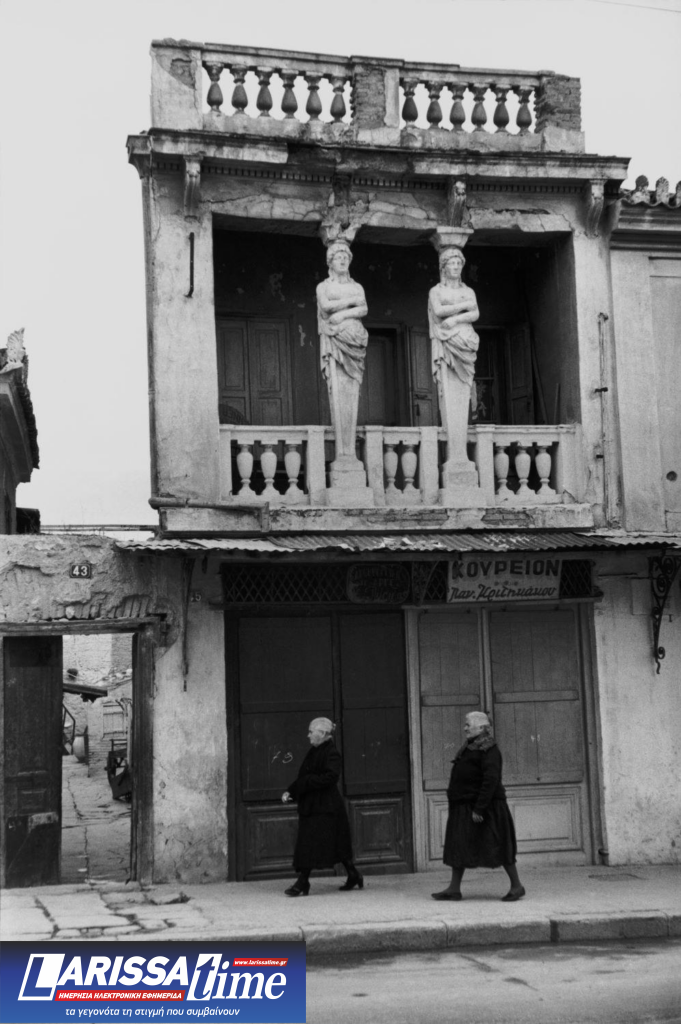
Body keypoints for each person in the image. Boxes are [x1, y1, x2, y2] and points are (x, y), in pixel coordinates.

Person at [432, 711, 526, 902]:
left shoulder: (489, 750)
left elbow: (491, 780)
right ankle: (454, 888)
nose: (465, 728)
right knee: (459, 845)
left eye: (468, 725)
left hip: (486, 808)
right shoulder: (471, 747)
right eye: (465, 724)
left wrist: (479, 808)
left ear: (482, 727)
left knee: (499, 845)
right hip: (465, 805)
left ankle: (517, 886)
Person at [281, 717, 363, 897]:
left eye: (311, 732)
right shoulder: (314, 751)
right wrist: (291, 791)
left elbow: (330, 778)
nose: (308, 735)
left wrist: (306, 783)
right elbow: (304, 777)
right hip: (314, 805)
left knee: (313, 843)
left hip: (326, 807)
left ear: (323, 734)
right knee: (325, 844)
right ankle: (353, 874)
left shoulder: (331, 753)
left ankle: (303, 881)